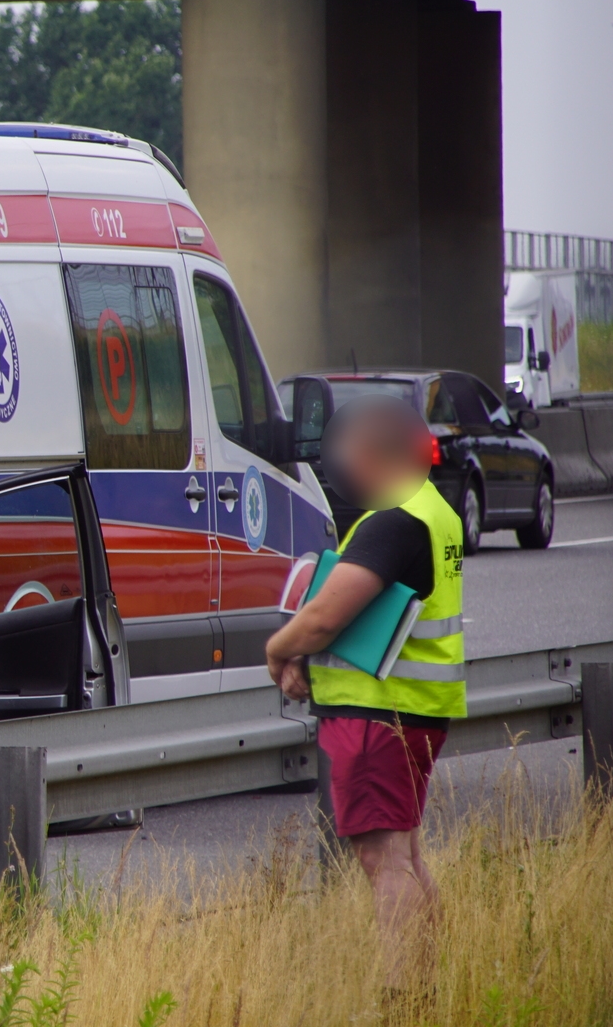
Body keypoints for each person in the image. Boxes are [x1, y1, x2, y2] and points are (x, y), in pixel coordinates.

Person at [264, 393, 465, 1011]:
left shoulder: (393, 521)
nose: (340, 468)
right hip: (415, 711)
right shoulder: (436, 513)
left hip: (377, 715)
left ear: (376, 452)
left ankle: (403, 998)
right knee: (405, 854)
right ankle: (425, 994)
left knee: (383, 861)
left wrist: (280, 648)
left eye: (347, 453)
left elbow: (327, 613)